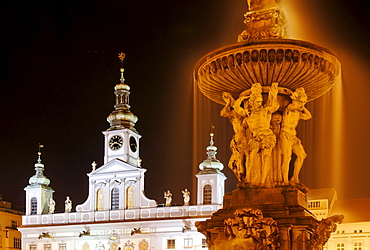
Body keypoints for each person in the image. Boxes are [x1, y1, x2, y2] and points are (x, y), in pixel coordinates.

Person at [234, 83, 279, 187]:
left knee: (266, 158)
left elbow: (275, 106)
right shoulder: (248, 114)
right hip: (256, 137)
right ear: (252, 102)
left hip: (267, 136)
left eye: (260, 101)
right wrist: (242, 99)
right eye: (258, 101)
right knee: (250, 156)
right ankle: (248, 179)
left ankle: (263, 182)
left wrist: (274, 94)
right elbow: (236, 108)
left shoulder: (265, 111)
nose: (260, 103)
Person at [280, 88, 312, 185]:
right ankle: (284, 181)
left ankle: (294, 178)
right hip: (285, 134)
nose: (302, 104)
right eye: (301, 101)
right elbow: (294, 107)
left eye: (304, 102)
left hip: (293, 136)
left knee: (302, 155)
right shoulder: (290, 107)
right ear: (296, 100)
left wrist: (303, 106)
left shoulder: (298, 112)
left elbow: (308, 116)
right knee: (287, 158)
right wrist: (297, 101)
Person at [221, 92, 248, 182]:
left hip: (242, 137)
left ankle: (243, 179)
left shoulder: (241, 114)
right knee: (232, 163)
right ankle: (242, 178)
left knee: (240, 160)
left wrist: (239, 99)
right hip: (236, 138)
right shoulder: (234, 114)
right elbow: (223, 113)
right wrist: (228, 103)